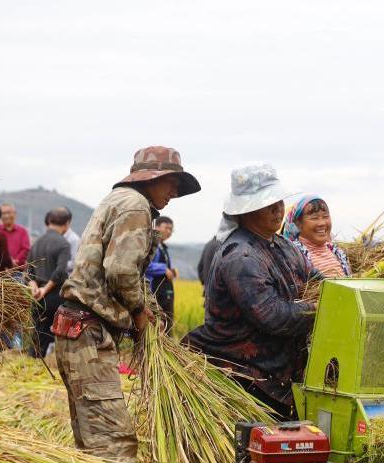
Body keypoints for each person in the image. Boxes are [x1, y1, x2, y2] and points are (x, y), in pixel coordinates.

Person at [53, 146, 200, 463]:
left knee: (92, 439)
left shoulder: (118, 200)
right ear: (151, 179)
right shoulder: (135, 206)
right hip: (88, 331)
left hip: (77, 327)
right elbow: (120, 270)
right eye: (171, 182)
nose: (175, 191)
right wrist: (138, 312)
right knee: (112, 445)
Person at [185, 163, 314, 421]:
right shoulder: (241, 256)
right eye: (267, 204)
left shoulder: (284, 246)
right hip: (246, 380)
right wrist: (320, 308)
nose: (278, 209)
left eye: (278, 201)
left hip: (280, 376)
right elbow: (274, 317)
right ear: (246, 211)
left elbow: (316, 280)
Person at [27, 209, 71, 358]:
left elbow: (28, 270)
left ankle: (32, 363)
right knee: (53, 336)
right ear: (67, 224)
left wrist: (35, 289)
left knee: (38, 335)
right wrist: (45, 290)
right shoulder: (63, 244)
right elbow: (60, 272)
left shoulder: (37, 242)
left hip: (37, 296)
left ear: (49, 221)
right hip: (54, 296)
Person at [282, 194, 352, 277]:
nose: (322, 223)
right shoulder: (294, 255)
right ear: (298, 224)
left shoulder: (338, 253)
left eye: (325, 216)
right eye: (314, 218)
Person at [145, 215, 178, 330]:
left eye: (171, 229)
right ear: (157, 227)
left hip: (164, 292)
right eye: (166, 228)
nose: (169, 231)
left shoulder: (162, 246)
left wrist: (170, 270)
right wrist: (163, 269)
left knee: (166, 324)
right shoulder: (150, 242)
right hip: (153, 292)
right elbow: (143, 265)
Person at [0, 203, 31, 269]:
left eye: (8, 213)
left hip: (17, 271)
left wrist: (15, 261)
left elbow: (25, 249)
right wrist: (6, 262)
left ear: (14, 214)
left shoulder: (22, 231)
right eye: (3, 213)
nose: (6, 216)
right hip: (0, 271)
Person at [58, 207, 81, 272]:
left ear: (67, 222)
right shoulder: (55, 237)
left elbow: (75, 263)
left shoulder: (74, 239)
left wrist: (58, 266)